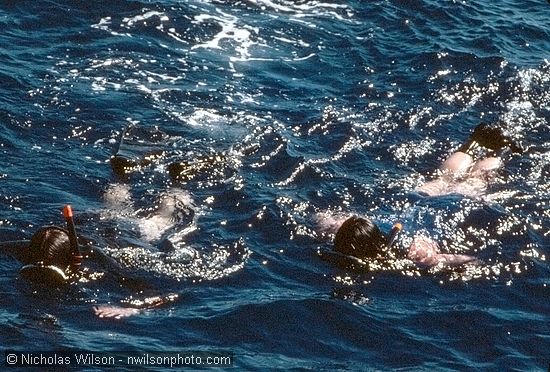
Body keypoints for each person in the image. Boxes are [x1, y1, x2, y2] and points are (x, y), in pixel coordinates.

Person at [320, 122, 521, 270]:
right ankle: (474, 141)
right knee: (444, 179)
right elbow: (326, 219)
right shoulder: (350, 228)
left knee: (473, 181)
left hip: (446, 205)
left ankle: (500, 147)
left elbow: (470, 260)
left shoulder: (413, 253)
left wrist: (435, 259)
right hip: (414, 198)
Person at [0, 206, 180, 319]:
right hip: (85, 224)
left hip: (118, 233)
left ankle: (176, 195)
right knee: (115, 199)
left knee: (159, 218)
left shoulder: (96, 259)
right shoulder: (26, 250)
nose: (40, 268)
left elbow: (163, 295)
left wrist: (129, 308)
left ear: (70, 261)